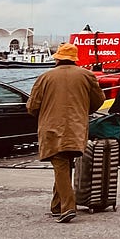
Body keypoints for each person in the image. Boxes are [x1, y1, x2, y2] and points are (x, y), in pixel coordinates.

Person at [26, 43, 106, 223]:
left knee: (60, 164)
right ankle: (56, 206)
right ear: (74, 59)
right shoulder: (87, 75)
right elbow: (99, 100)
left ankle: (68, 208)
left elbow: (32, 106)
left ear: (57, 58)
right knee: (65, 164)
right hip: (77, 128)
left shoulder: (45, 77)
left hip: (52, 128)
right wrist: (84, 110)